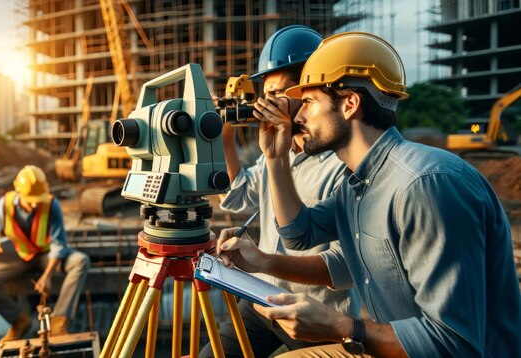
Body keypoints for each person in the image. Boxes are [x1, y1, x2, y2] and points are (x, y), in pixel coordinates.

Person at [217, 32, 521, 357]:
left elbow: (453, 344)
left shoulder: (425, 185)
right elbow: (298, 233)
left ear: (350, 104)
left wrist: (341, 326)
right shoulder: (357, 185)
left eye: (308, 102)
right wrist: (276, 159)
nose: (299, 116)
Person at [200, 25, 359, 358]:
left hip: (313, 311)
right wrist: (226, 138)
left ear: (313, 91)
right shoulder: (277, 152)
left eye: (283, 91)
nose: (270, 101)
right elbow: (237, 195)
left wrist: (264, 260)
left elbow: (340, 268)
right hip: (264, 298)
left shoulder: (341, 165)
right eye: (267, 92)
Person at [0, 165, 90, 345]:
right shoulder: (4, 204)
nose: (36, 203)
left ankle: (58, 322)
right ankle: (19, 321)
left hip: (46, 256)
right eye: (31, 199)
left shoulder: (51, 204)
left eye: (38, 199)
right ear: (17, 189)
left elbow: (59, 243)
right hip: (19, 255)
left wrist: (48, 275)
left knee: (80, 261)